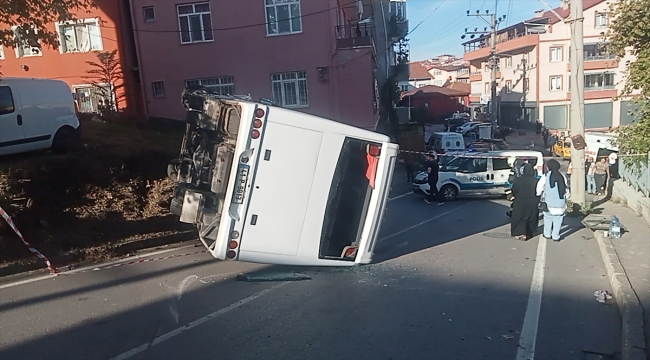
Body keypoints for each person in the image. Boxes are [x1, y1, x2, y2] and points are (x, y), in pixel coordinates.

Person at [536, 159, 570, 241]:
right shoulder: (562, 176)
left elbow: (539, 187)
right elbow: (566, 189)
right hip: (560, 203)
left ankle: (547, 234)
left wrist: (538, 194)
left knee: (547, 218)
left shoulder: (546, 176)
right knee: (558, 219)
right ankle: (556, 236)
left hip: (548, 202)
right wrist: (567, 197)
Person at [510, 163, 541, 240]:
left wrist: (513, 195)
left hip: (520, 201)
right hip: (533, 201)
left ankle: (519, 233)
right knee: (531, 217)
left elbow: (514, 189)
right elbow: (539, 191)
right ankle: (529, 232)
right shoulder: (536, 180)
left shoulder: (518, 179)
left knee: (519, 217)